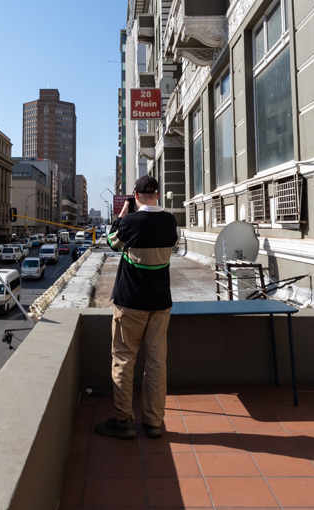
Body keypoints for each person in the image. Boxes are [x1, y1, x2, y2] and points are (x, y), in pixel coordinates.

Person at [95, 175, 179, 440]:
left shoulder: (130, 223)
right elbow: (173, 246)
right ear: (157, 194)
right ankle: (154, 422)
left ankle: (123, 420)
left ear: (136, 195)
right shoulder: (170, 222)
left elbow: (110, 243)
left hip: (130, 303)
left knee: (123, 359)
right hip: (160, 304)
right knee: (157, 363)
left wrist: (120, 217)